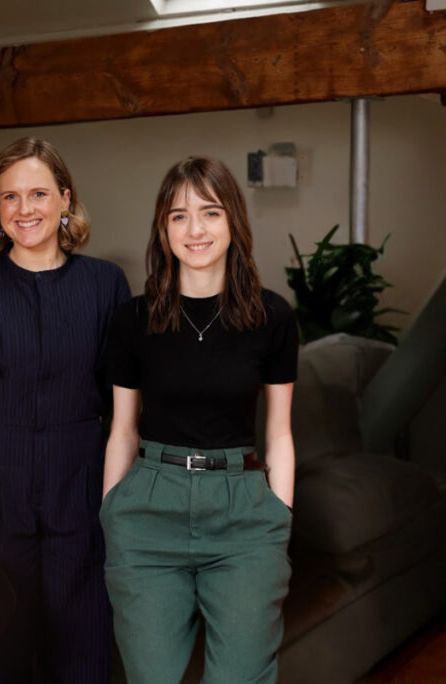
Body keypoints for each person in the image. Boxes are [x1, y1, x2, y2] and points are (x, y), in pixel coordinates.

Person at [101, 157, 298, 683]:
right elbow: (122, 428)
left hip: (244, 515)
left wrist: (280, 518)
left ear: (232, 220)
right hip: (147, 510)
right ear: (163, 230)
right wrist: (112, 512)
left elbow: (279, 430)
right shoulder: (133, 319)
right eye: (178, 216)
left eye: (210, 213)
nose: (195, 230)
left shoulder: (271, 316)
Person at [0, 137, 130, 683]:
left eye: (38, 194)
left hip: (82, 470)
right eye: (10, 198)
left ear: (65, 199)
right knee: (3, 630)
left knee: (84, 634)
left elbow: (123, 403)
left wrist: (116, 493)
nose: (25, 209)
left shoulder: (105, 284)